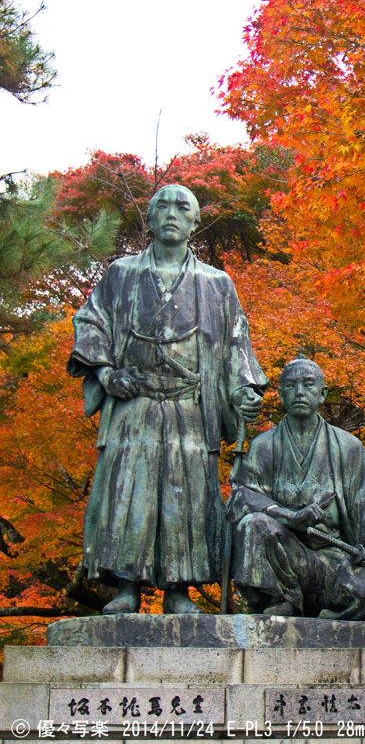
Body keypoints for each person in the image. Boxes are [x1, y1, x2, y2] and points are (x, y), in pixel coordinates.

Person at [67, 184, 267, 615]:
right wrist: (105, 372)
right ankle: (127, 587)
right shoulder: (122, 273)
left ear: (196, 222)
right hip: (133, 402)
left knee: (187, 495)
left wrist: (243, 392)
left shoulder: (216, 283)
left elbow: (235, 344)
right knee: (128, 491)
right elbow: (91, 320)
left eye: (183, 208)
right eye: (163, 207)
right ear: (150, 220)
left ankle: (180, 590)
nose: (172, 213)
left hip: (189, 406)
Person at [226, 358, 365, 620]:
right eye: (290, 385)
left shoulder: (348, 447)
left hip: (335, 561)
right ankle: (280, 599)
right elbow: (243, 498)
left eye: (308, 385)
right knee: (254, 524)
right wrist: (291, 517)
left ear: (322, 393)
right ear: (280, 394)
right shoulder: (263, 446)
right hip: (285, 556)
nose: (299, 392)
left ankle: (329, 619)